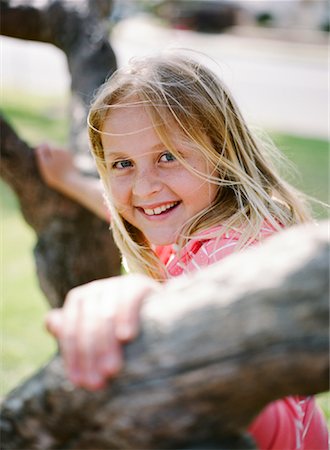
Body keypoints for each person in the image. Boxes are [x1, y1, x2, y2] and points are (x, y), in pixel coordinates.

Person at [36, 52, 328, 450]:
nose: (144, 188)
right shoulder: (192, 220)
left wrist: (147, 311)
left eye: (167, 157)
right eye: (122, 164)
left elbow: (268, 409)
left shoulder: (238, 258)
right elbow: (135, 210)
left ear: (221, 153)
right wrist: (72, 180)